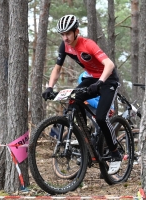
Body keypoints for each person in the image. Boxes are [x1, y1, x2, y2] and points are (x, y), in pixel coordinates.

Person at [42, 14, 121, 175]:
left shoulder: (88, 44)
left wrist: (99, 83)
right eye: (62, 35)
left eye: (68, 34)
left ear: (76, 31)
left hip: (108, 80)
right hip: (92, 79)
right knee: (74, 99)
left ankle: (115, 153)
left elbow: (109, 64)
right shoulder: (64, 46)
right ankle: (86, 138)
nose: (65, 38)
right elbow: (57, 69)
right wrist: (49, 87)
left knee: (101, 117)